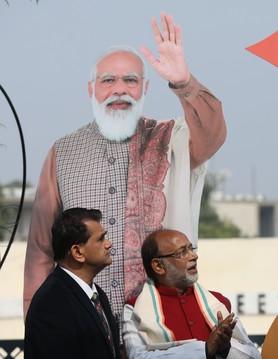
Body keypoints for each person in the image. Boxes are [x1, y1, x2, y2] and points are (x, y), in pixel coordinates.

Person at [24, 11, 227, 322]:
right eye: (108, 80)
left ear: (144, 88)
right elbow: (41, 252)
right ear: (91, 89)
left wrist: (183, 82)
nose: (119, 89)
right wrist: (37, 329)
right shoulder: (62, 152)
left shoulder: (170, 139)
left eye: (130, 80)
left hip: (160, 328)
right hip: (86, 329)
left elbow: (212, 134)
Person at [23, 207, 162, 359]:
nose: (108, 244)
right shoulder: (52, 300)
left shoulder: (96, 294)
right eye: (100, 238)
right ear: (77, 252)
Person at [122, 228, 262, 359]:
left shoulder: (217, 303)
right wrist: (204, 350)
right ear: (158, 266)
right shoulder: (135, 309)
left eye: (191, 249)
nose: (193, 256)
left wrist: (225, 349)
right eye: (181, 253)